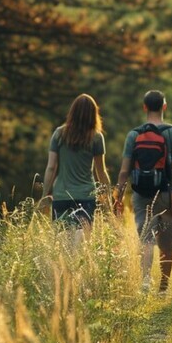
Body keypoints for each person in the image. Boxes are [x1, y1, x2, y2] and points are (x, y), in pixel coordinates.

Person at [115, 90, 172, 294]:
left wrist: (118, 197)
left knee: (146, 237)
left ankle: (145, 281)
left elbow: (124, 170)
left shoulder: (134, 135)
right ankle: (163, 288)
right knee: (166, 240)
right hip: (168, 193)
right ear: (164, 107)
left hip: (141, 194)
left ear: (144, 107)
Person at [41, 94, 111, 240]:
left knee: (62, 242)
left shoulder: (59, 134)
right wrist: (108, 200)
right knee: (81, 241)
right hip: (86, 196)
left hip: (61, 195)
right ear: (93, 114)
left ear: (72, 112)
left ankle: (65, 263)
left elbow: (51, 167)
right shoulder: (97, 137)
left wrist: (44, 194)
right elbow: (101, 171)